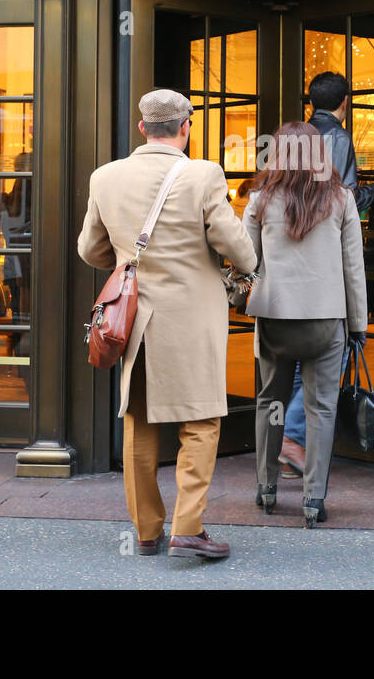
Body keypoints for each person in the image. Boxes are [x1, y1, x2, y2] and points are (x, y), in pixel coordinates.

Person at [77, 89, 257, 560]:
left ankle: (146, 532)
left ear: (142, 128)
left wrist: (128, 259)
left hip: (134, 317)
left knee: (138, 421)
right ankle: (188, 527)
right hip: (193, 316)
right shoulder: (203, 173)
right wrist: (245, 262)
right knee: (200, 420)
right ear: (186, 126)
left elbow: (90, 250)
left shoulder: (105, 177)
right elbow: (234, 245)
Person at [279, 71, 374, 478]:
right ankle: (295, 440)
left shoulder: (293, 140)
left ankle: (291, 441)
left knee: (297, 361)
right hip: (325, 264)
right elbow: (344, 200)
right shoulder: (340, 137)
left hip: (288, 268)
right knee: (327, 355)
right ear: (345, 101)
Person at [243, 121, 368, 527]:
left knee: (270, 402)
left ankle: (266, 488)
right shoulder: (342, 199)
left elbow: (247, 262)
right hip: (326, 318)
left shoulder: (260, 200)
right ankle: (314, 500)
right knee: (321, 409)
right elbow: (353, 269)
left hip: (275, 316)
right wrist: (359, 324)